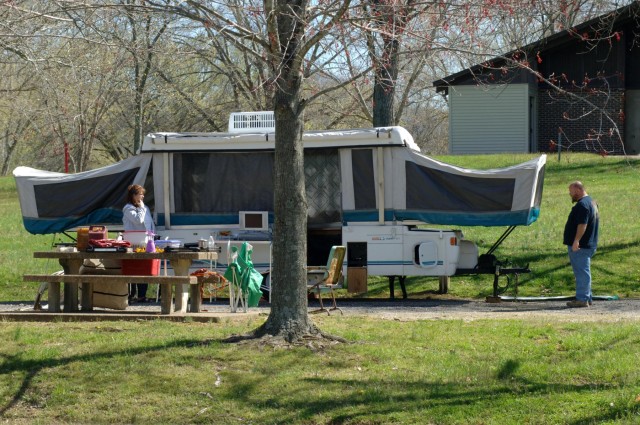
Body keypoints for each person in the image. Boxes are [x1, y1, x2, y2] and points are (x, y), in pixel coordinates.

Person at [563, 181, 599, 308]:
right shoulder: (592, 202)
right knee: (583, 271)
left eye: (571, 191)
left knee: (581, 272)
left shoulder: (582, 205)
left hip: (581, 245)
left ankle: (582, 299)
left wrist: (576, 240)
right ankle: (587, 297)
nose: (570, 194)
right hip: (589, 243)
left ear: (578, 190)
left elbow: (582, 224)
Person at [123, 184, 155, 303]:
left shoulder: (144, 207)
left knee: (144, 268)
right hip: (133, 243)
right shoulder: (128, 208)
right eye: (140, 194)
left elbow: (149, 223)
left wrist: (153, 237)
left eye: (142, 194)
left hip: (145, 242)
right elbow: (138, 220)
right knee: (133, 268)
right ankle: (131, 294)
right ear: (133, 195)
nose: (142, 196)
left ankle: (142, 295)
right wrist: (141, 208)